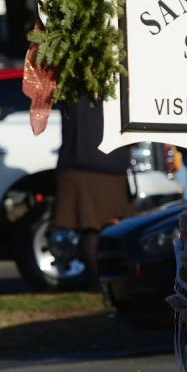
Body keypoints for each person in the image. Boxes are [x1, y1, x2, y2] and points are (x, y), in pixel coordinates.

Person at [54, 97, 135, 288]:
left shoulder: (71, 85)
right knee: (95, 227)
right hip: (105, 163)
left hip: (85, 163)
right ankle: (101, 281)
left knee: (91, 227)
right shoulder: (118, 84)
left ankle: (101, 280)